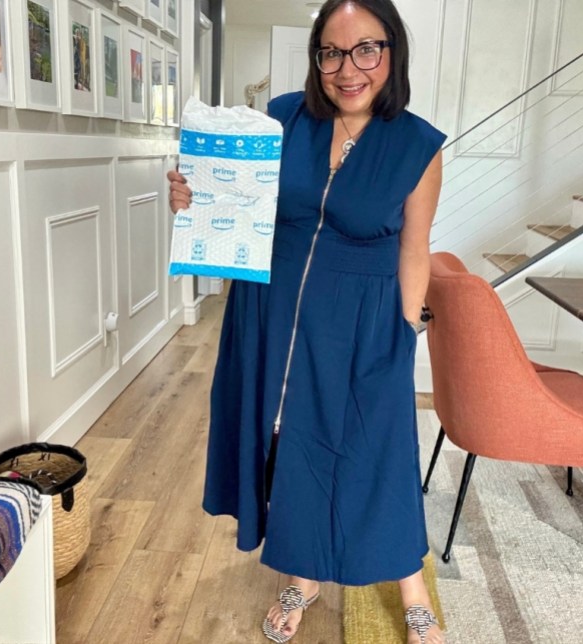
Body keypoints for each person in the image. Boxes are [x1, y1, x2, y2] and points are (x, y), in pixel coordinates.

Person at [167, 1, 446, 642]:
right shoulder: (283, 118)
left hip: (363, 322)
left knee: (378, 448)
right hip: (270, 309)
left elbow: (415, 249)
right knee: (286, 441)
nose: (348, 69)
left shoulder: (417, 146)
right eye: (331, 53)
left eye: (366, 49)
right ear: (316, 56)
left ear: (392, 52)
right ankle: (303, 573)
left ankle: (411, 586)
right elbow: (239, 205)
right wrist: (193, 199)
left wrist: (404, 335)